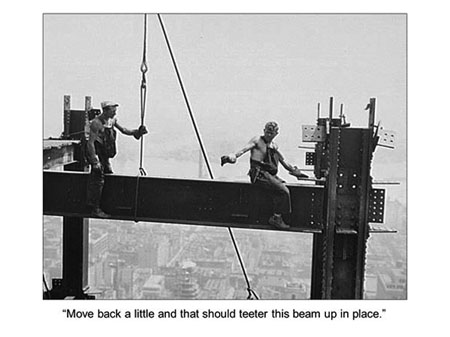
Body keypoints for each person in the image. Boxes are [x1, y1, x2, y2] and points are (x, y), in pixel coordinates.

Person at [221, 121, 307, 229]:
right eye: (268, 131)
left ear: (276, 133)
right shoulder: (257, 141)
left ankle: (276, 212)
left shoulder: (274, 147)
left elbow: (284, 162)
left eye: (272, 132)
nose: (269, 134)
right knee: (284, 190)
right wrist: (232, 157)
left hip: (268, 175)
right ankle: (276, 218)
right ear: (264, 131)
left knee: (282, 187)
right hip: (259, 174)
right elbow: (243, 150)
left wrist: (296, 172)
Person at [86, 101, 148, 218]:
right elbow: (90, 143)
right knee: (98, 179)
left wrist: (136, 132)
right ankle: (95, 208)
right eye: (113, 110)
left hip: (104, 155)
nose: (115, 112)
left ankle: (107, 205)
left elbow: (124, 130)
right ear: (106, 110)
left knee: (109, 176)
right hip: (98, 154)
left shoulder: (112, 121)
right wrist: (94, 161)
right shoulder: (96, 123)